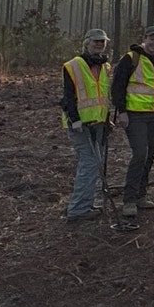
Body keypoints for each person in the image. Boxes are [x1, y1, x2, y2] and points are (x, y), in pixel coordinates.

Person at [110, 26, 154, 218]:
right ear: (144, 39)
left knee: (150, 154)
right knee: (140, 154)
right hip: (135, 115)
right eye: (151, 39)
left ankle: (141, 195)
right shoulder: (131, 58)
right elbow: (118, 86)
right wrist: (122, 112)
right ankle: (129, 199)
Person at [60, 29, 112, 223]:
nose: (99, 44)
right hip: (80, 125)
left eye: (103, 42)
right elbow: (68, 96)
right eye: (96, 42)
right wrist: (75, 119)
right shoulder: (73, 66)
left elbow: (103, 96)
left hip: (99, 123)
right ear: (87, 43)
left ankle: (86, 204)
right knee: (89, 164)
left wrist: (107, 119)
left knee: (95, 165)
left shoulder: (105, 66)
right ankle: (77, 210)